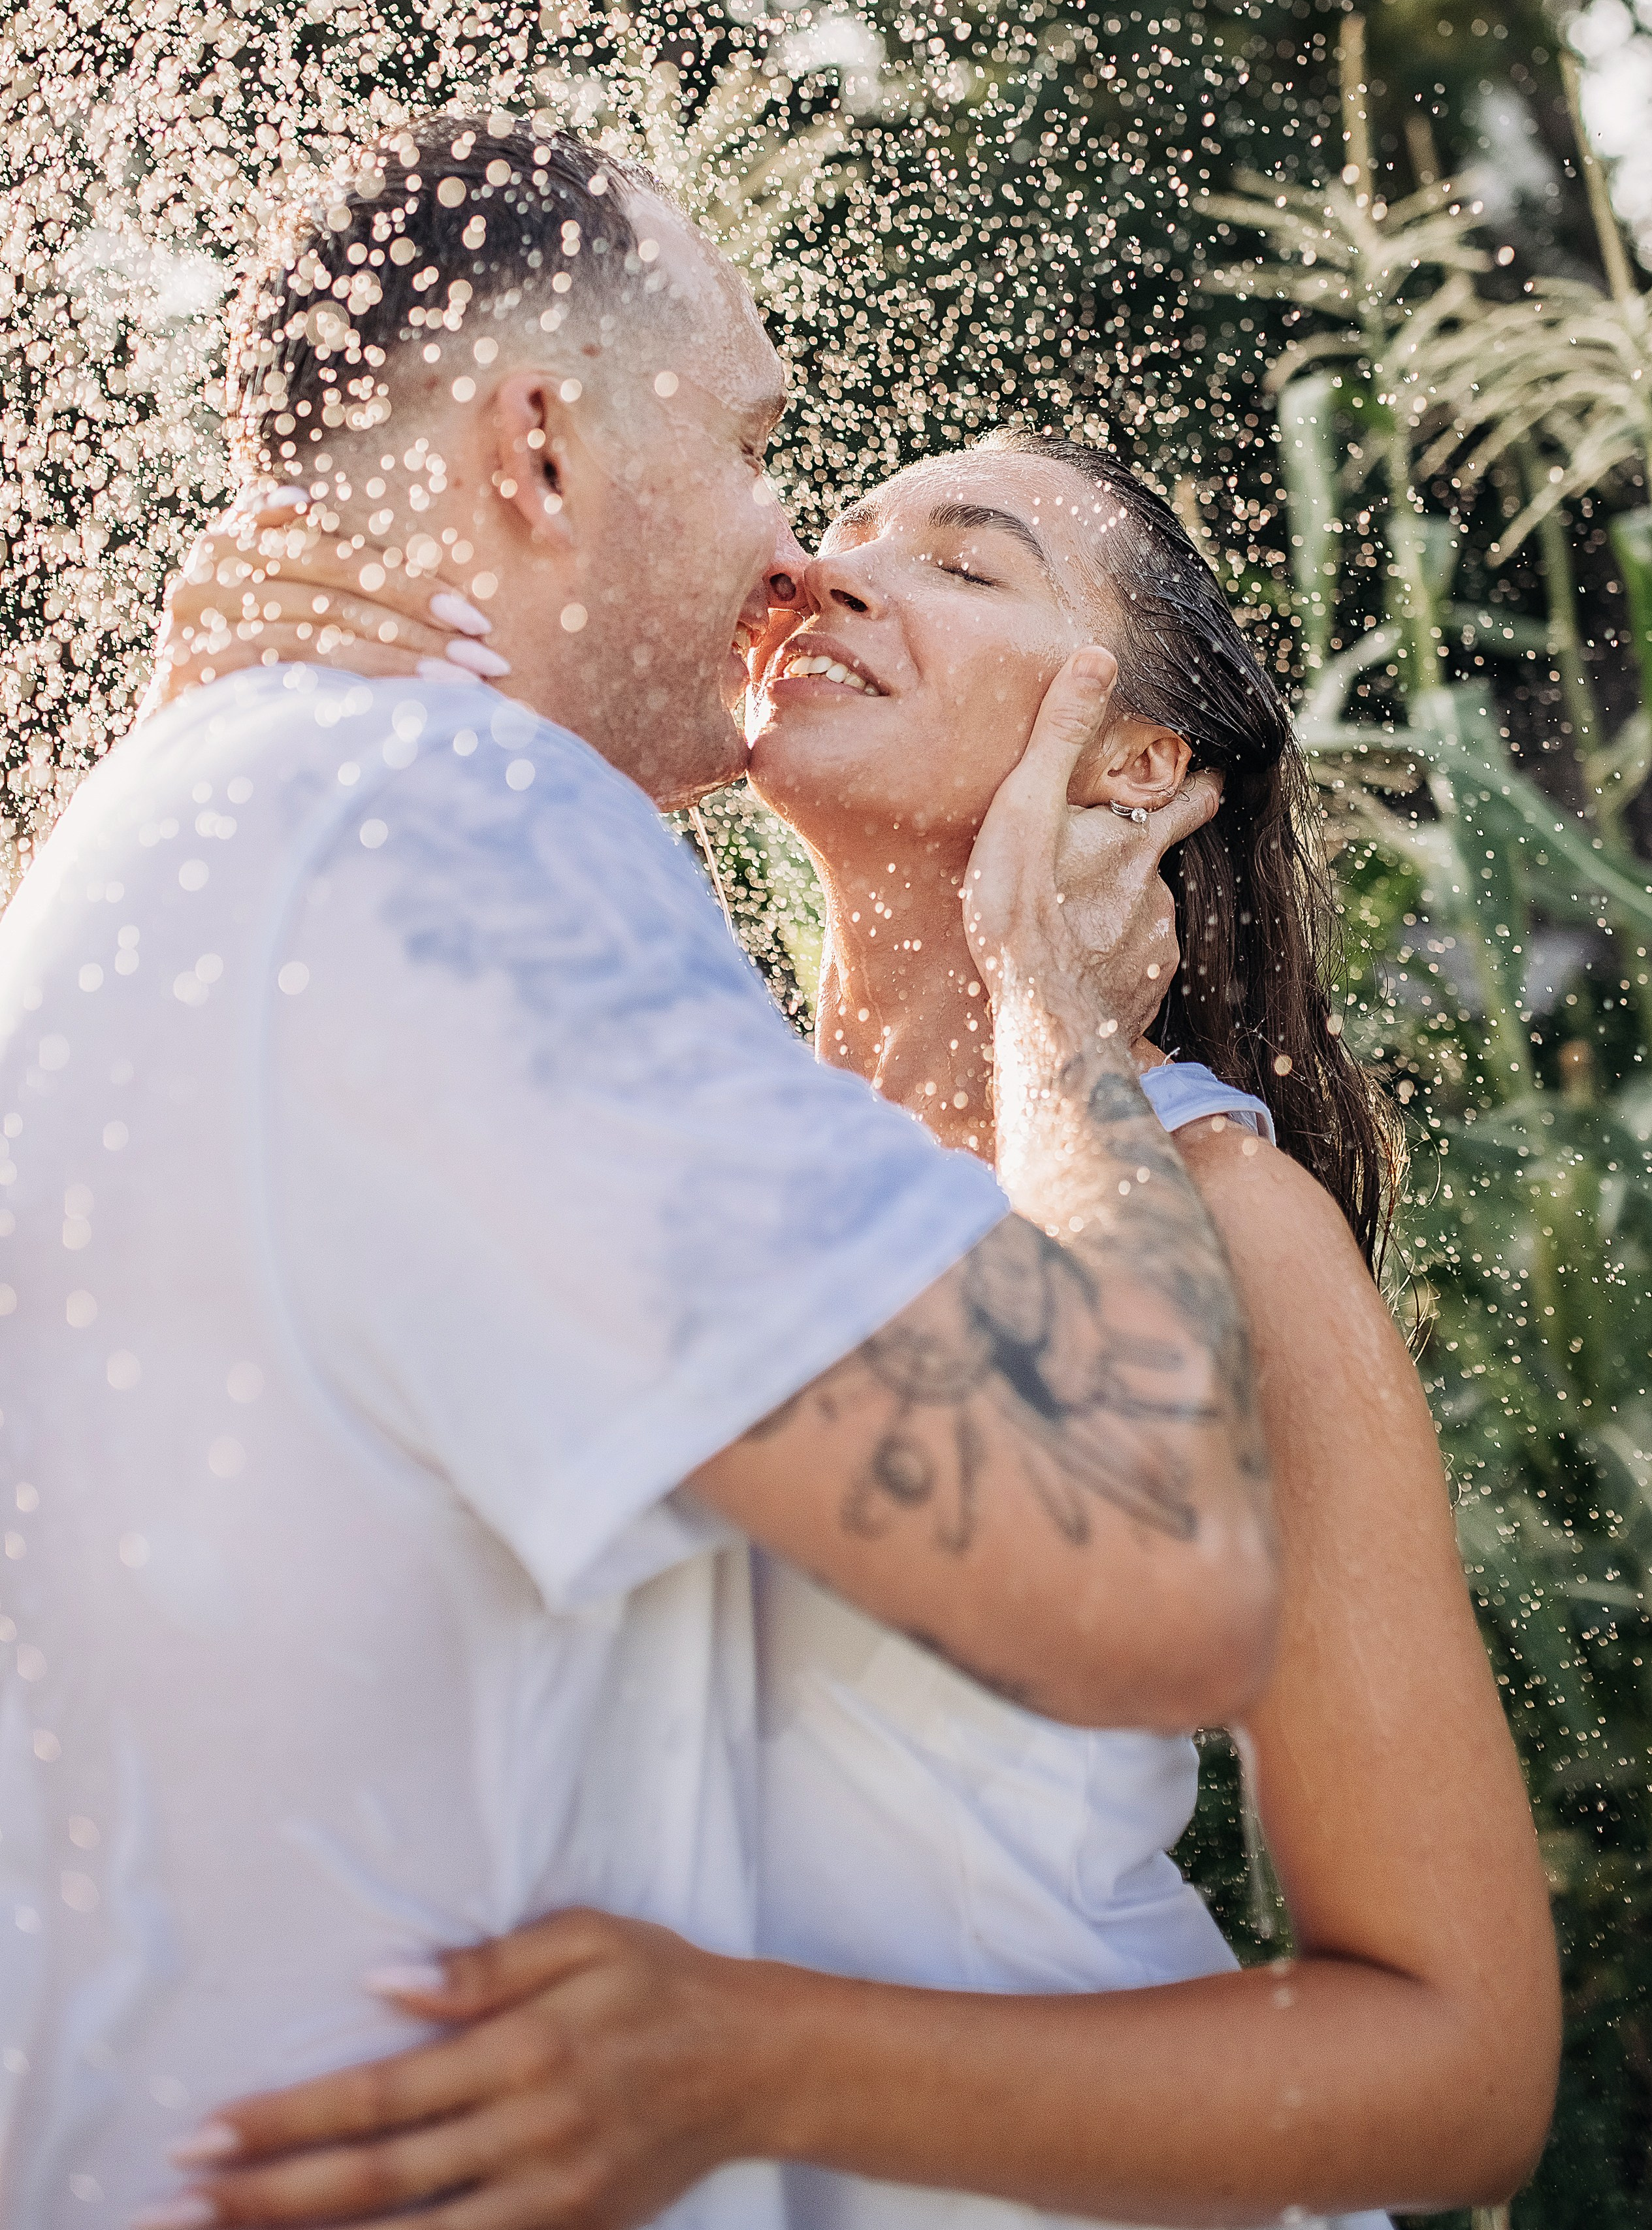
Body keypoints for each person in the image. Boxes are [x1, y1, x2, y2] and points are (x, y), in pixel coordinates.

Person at [0, 121, 1273, 2226]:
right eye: (767, 447)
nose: (795, 560)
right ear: (539, 453)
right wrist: (1054, 1007)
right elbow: (1154, 1563)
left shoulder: (210, 829)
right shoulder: (436, 841)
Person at [148, 432, 1560, 2229]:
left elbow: (1458, 2070)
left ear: (1137, 759)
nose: (833, 573)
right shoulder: (679, 1113)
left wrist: (749, 2063)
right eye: (834, 532)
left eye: (968, 566)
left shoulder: (1223, 1217)